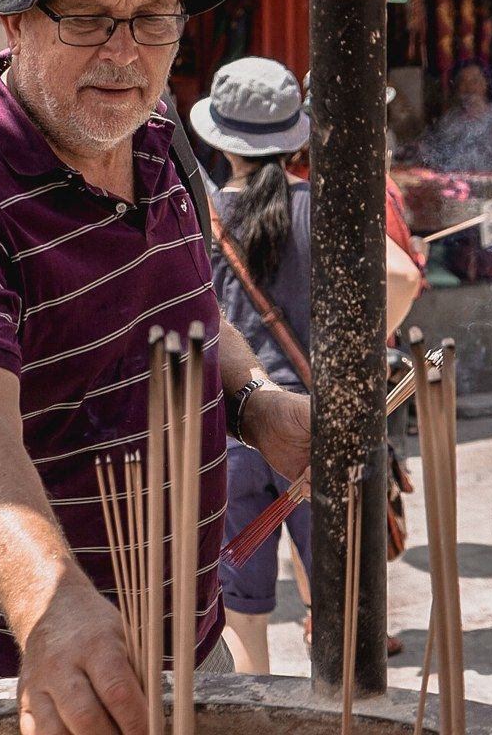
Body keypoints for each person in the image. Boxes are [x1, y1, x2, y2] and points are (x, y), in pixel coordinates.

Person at [0, 0, 310, 734]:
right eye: (89, 18)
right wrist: (48, 603)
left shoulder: (156, 129)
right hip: (16, 654)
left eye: (154, 20)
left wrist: (255, 405)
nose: (125, 55)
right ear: (16, 22)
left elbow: (188, 304)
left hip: (186, 629)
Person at [190, 57, 312, 674]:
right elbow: (396, 279)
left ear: (218, 135)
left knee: (243, 617)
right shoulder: (324, 211)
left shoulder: (197, 217)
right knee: (340, 604)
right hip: (317, 429)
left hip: (235, 430)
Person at [421, 61, 492, 174]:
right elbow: (436, 158)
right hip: (457, 185)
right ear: (457, 87)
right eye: (463, 81)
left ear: (485, 83)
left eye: (474, 81)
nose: (469, 87)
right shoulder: (449, 121)